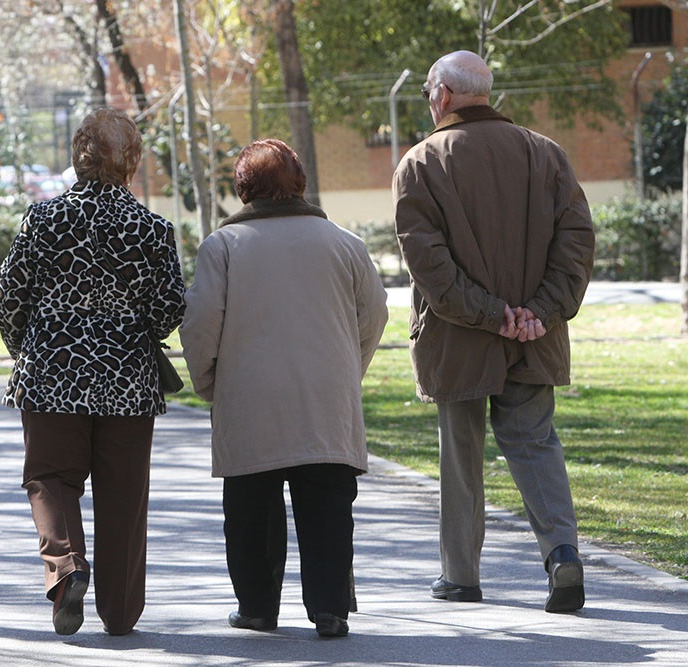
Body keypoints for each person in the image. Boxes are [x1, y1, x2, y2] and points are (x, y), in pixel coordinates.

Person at [392, 51, 595, 613]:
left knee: (461, 455)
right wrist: (538, 312)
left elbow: (428, 265)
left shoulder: (420, 163)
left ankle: (461, 576)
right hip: (535, 335)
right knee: (535, 444)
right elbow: (576, 244)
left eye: (429, 92)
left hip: (459, 338)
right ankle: (562, 554)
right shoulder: (545, 153)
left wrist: (491, 314)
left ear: (442, 95)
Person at [180, 139, 388, 638]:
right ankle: (330, 608)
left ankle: (257, 606)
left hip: (250, 399)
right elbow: (375, 314)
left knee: (251, 511)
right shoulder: (344, 243)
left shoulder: (223, 247)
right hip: (326, 399)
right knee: (329, 509)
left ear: (244, 188)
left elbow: (200, 323)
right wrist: (347, 369)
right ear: (299, 183)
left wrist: (210, 383)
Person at [0, 107, 185, 636]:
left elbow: (11, 297)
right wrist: (129, 323)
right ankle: (121, 614)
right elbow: (170, 307)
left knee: (50, 479)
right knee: (124, 494)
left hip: (51, 371)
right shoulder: (152, 228)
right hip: (127, 380)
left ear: (78, 156)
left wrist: (24, 349)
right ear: (132, 162)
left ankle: (67, 568)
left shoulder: (43, 219)